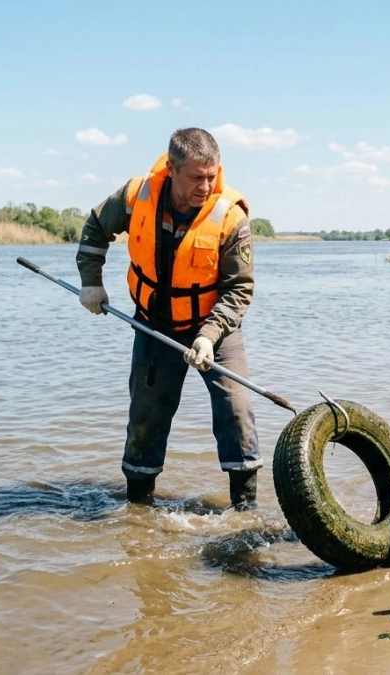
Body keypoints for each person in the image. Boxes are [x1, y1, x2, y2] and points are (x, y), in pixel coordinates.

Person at [75, 127, 260, 509]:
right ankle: (138, 508)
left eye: (212, 176)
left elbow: (239, 290)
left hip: (216, 329)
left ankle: (245, 511)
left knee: (237, 411)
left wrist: (208, 335)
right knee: (145, 418)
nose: (205, 186)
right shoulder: (135, 195)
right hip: (154, 323)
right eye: (196, 177)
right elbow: (95, 227)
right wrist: (91, 283)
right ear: (172, 170)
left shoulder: (231, 216)